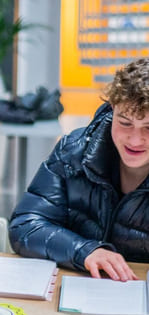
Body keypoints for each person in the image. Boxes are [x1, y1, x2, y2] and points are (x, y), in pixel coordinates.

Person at [9, 57, 149, 281]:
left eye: (148, 128)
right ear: (113, 109)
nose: (135, 139)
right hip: (77, 290)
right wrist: (84, 250)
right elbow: (25, 224)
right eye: (124, 123)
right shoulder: (73, 151)